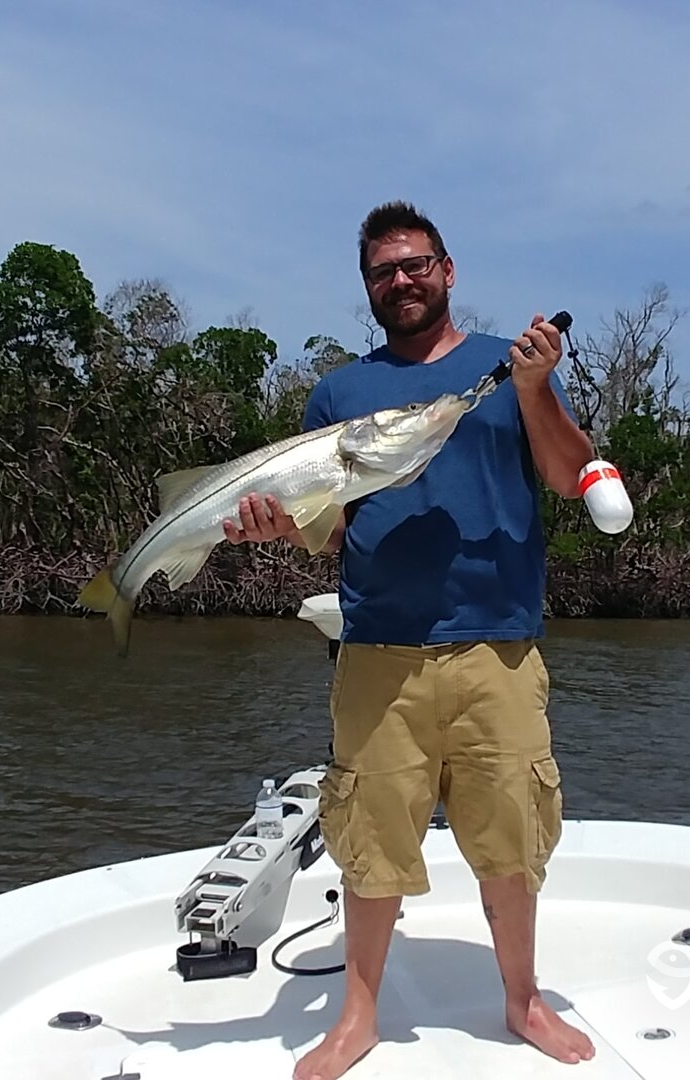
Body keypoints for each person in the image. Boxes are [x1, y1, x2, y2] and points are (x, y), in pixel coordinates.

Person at [223, 201, 597, 1079]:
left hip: (497, 647)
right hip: (377, 652)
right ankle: (358, 1015)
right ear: (369, 289)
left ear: (448, 269)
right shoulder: (340, 393)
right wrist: (272, 526)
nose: (401, 280)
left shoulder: (509, 369)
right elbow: (326, 525)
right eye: (383, 271)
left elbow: (569, 476)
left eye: (415, 264)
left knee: (510, 837)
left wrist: (537, 389)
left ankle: (522, 999)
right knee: (372, 841)